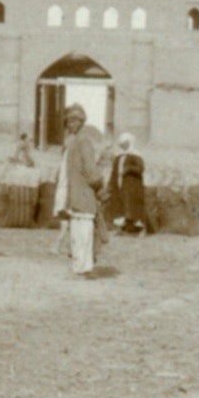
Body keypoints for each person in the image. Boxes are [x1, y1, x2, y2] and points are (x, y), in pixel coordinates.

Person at [55, 104, 106, 275]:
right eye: (68, 121)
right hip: (77, 195)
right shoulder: (73, 142)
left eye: (75, 121)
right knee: (78, 233)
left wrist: (98, 187)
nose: (71, 124)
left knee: (83, 233)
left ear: (81, 122)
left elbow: (90, 169)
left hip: (83, 193)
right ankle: (81, 267)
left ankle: (83, 268)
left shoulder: (83, 141)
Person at [108, 133, 147, 234]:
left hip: (132, 186)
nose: (122, 145)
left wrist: (129, 169)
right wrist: (110, 184)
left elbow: (140, 169)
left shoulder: (135, 155)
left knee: (131, 206)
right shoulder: (118, 156)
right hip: (119, 184)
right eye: (121, 143)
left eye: (125, 143)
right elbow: (114, 172)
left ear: (129, 143)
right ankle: (122, 228)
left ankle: (136, 229)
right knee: (120, 206)